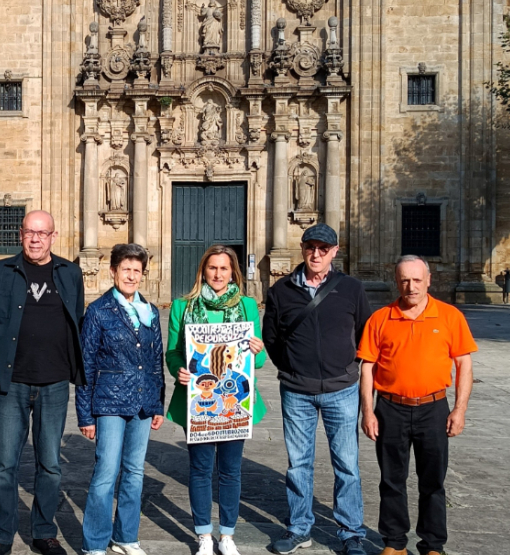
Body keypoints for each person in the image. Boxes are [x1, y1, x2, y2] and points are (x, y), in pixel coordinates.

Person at [0, 211, 84, 555]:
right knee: (5, 465)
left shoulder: (69, 272)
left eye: (42, 233)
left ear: (54, 236)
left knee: (50, 464)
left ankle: (43, 532)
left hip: (54, 383)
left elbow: (76, 318)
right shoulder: (1, 271)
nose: (35, 239)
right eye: (29, 233)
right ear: (20, 235)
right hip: (13, 383)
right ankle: (1, 536)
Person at [262, 224, 373, 555]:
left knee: (347, 464)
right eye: (311, 247)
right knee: (299, 463)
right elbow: (271, 338)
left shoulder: (351, 288)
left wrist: (346, 366)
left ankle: (351, 531)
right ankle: (299, 527)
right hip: (297, 391)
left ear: (335, 251)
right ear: (302, 248)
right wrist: (293, 366)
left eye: (324, 248)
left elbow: (366, 333)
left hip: (342, 390)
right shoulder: (281, 290)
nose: (316, 253)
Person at [357, 256, 477, 555]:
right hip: (390, 409)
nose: (411, 287)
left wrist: (459, 410)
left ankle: (432, 544)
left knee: (433, 481)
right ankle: (394, 542)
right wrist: (368, 411)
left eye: (417, 280)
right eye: (404, 281)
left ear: (429, 280)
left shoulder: (450, 317)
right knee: (391, 480)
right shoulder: (380, 318)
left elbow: (464, 364)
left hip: (433, 409)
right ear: (396, 282)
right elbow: (367, 368)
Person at [165, 245, 268, 555]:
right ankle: (203, 535)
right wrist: (179, 371)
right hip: (198, 403)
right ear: (203, 271)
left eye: (224, 268)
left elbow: (258, 362)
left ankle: (227, 534)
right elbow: (172, 352)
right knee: (199, 469)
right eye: (212, 268)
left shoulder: (248, 306)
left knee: (231, 471)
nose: (218, 274)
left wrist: (256, 348)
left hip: (235, 402)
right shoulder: (183, 306)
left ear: (233, 272)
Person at [76, 243, 166, 555]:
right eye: (125, 269)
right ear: (114, 271)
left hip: (142, 403)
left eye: (136, 271)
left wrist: (158, 405)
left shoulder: (151, 312)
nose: (131, 275)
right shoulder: (98, 311)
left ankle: (126, 537)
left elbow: (156, 362)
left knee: (135, 473)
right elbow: (85, 365)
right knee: (106, 473)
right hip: (109, 403)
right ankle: (95, 543)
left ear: (143, 275)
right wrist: (85, 416)